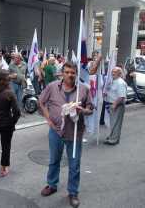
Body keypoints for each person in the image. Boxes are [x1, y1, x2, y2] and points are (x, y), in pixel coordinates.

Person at [39, 61, 93, 208]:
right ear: (62, 73)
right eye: (67, 72)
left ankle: (73, 192)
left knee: (74, 164)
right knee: (54, 160)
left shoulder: (84, 89)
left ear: (76, 74)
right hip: (56, 131)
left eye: (73, 72)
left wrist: (83, 110)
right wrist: (48, 119)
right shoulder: (52, 87)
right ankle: (52, 184)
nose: (70, 75)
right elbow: (41, 102)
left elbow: (90, 108)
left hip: (74, 132)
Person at [104, 67, 127, 145]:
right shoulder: (114, 81)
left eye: (115, 72)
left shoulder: (120, 82)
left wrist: (114, 104)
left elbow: (121, 96)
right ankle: (112, 137)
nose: (113, 73)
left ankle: (114, 140)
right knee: (113, 123)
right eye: (112, 71)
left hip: (117, 105)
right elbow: (113, 92)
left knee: (116, 123)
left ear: (119, 73)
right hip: (112, 104)